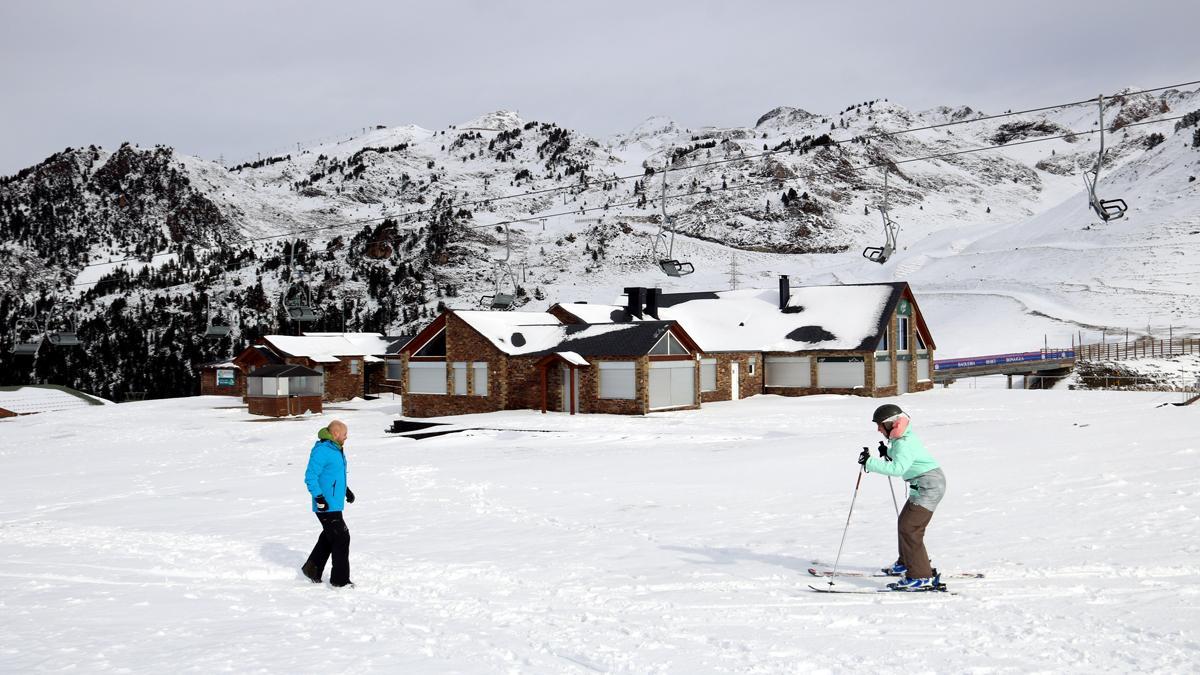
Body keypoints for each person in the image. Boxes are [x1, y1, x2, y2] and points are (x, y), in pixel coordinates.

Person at [857, 403, 946, 591]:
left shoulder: (904, 442)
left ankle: (921, 576)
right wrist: (887, 452)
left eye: (880, 424)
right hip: (923, 485)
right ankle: (907, 563)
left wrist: (870, 463)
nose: (878, 428)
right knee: (905, 524)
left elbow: (898, 469)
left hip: (928, 487)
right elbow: (903, 457)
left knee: (910, 528)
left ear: (890, 424)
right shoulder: (901, 439)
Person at [301, 419, 356, 587]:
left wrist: (346, 490)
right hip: (325, 504)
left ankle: (312, 568)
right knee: (341, 537)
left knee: (329, 536)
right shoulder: (323, 451)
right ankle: (340, 581)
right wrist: (319, 498)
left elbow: (334, 475)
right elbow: (310, 477)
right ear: (336, 433)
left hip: (334, 502)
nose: (347, 437)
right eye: (345, 434)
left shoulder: (335, 449)